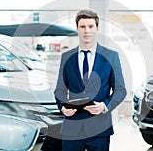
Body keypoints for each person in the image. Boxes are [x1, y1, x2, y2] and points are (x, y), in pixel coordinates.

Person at [54, 9, 127, 151]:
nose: (86, 31)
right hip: (72, 127)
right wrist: (62, 107)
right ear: (77, 29)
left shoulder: (111, 56)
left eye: (90, 26)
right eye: (82, 27)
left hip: (99, 128)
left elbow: (120, 90)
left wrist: (104, 106)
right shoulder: (67, 57)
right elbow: (60, 90)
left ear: (97, 28)